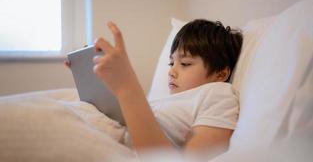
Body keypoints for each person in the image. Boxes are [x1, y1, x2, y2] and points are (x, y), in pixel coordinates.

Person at [90, 19, 243, 159]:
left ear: (221, 74)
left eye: (185, 64)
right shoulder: (165, 101)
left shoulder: (218, 94)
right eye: (171, 63)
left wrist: (127, 87)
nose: (171, 71)